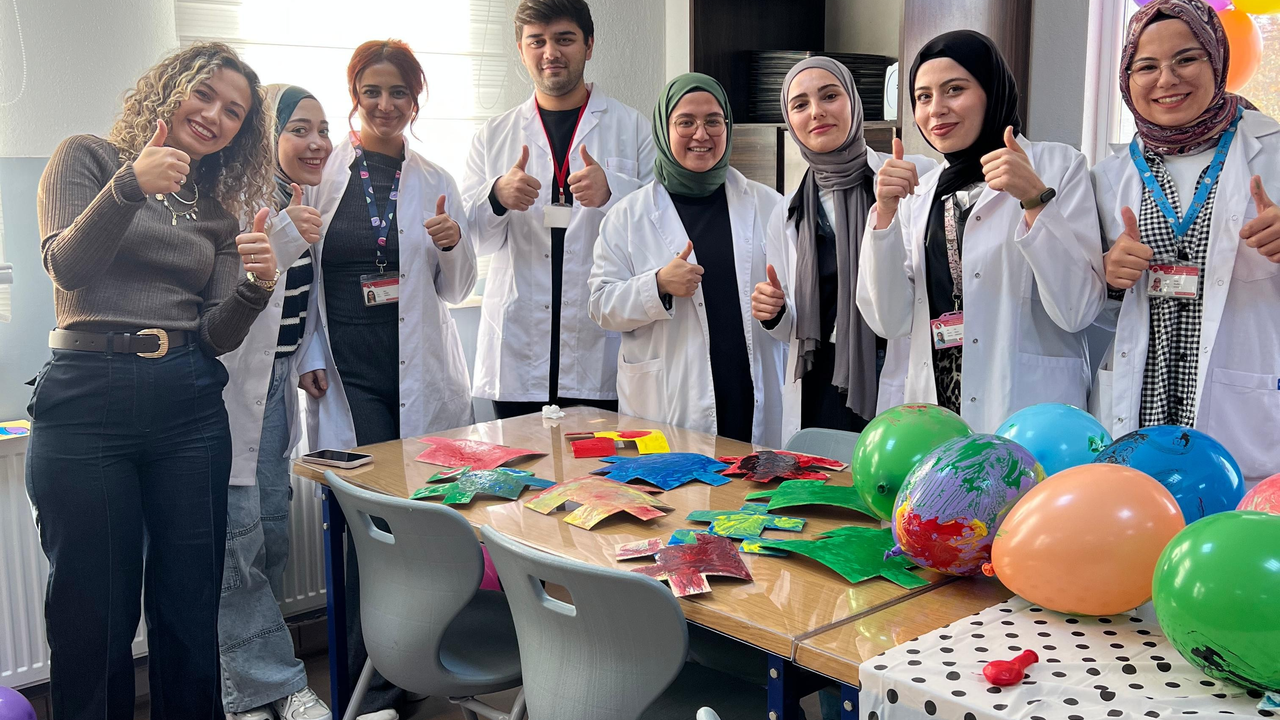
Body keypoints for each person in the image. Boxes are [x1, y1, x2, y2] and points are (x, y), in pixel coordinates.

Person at [27, 42, 278, 719]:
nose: (215, 116)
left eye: (234, 112)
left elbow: (217, 335)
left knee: (189, 604)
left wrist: (257, 286)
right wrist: (129, 186)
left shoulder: (216, 214)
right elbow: (67, 267)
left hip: (188, 400)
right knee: (90, 611)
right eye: (205, 94)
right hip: (86, 393)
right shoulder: (86, 158)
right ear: (171, 90)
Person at [296, 39, 474, 720]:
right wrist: (309, 351)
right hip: (349, 375)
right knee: (363, 528)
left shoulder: (435, 177)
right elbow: (303, 276)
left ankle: (410, 669)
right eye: (371, 91)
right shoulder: (324, 172)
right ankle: (365, 685)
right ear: (354, 97)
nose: (385, 103)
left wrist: (453, 245)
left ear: (415, 100)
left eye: (398, 91)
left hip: (419, 375)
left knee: (417, 530)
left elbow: (457, 289)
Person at [856, 30, 1107, 432]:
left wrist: (1035, 201)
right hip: (938, 412)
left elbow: (1077, 310)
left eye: (954, 89)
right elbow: (890, 321)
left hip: (1028, 415)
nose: (936, 109)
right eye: (923, 97)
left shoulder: (1058, 167)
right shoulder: (922, 191)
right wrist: (884, 214)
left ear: (992, 92)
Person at [1092, 0, 1280, 482]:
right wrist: (1109, 276)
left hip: (1239, 399)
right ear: (1127, 78)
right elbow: (1088, 310)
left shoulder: (1273, 151)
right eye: (1146, 66)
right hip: (1143, 397)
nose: (1166, 79)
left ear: (1216, 61)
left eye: (1186, 58)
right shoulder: (1109, 174)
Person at [462, 0, 656, 419]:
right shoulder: (493, 136)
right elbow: (470, 243)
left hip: (601, 351)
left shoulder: (633, 128)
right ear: (521, 51)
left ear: (589, 45)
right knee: (523, 462)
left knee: (601, 462)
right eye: (537, 41)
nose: (550, 52)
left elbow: (658, 233)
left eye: (564, 39)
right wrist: (496, 197)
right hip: (518, 352)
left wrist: (613, 192)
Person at [589, 73, 787, 445]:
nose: (701, 134)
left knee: (755, 478)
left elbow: (796, 302)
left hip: (750, 391)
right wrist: (657, 286)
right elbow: (601, 306)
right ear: (664, 131)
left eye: (713, 121)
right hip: (669, 402)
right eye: (685, 122)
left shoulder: (769, 204)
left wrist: (779, 309)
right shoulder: (627, 215)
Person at [217, 84, 332, 720]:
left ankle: (248, 690)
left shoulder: (302, 200)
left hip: (276, 386)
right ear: (268, 135)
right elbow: (230, 297)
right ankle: (271, 687)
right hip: (230, 391)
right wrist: (286, 237)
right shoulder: (236, 201)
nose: (316, 143)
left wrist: (306, 355)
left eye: (323, 130)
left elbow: (302, 307)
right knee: (237, 543)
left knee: (271, 534)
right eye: (298, 129)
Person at [751, 57, 936, 445]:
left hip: (891, 369)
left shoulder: (911, 177)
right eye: (800, 104)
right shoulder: (789, 211)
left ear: (853, 101)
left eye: (829, 96)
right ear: (790, 121)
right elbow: (795, 330)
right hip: (821, 379)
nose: (816, 112)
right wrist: (776, 313)